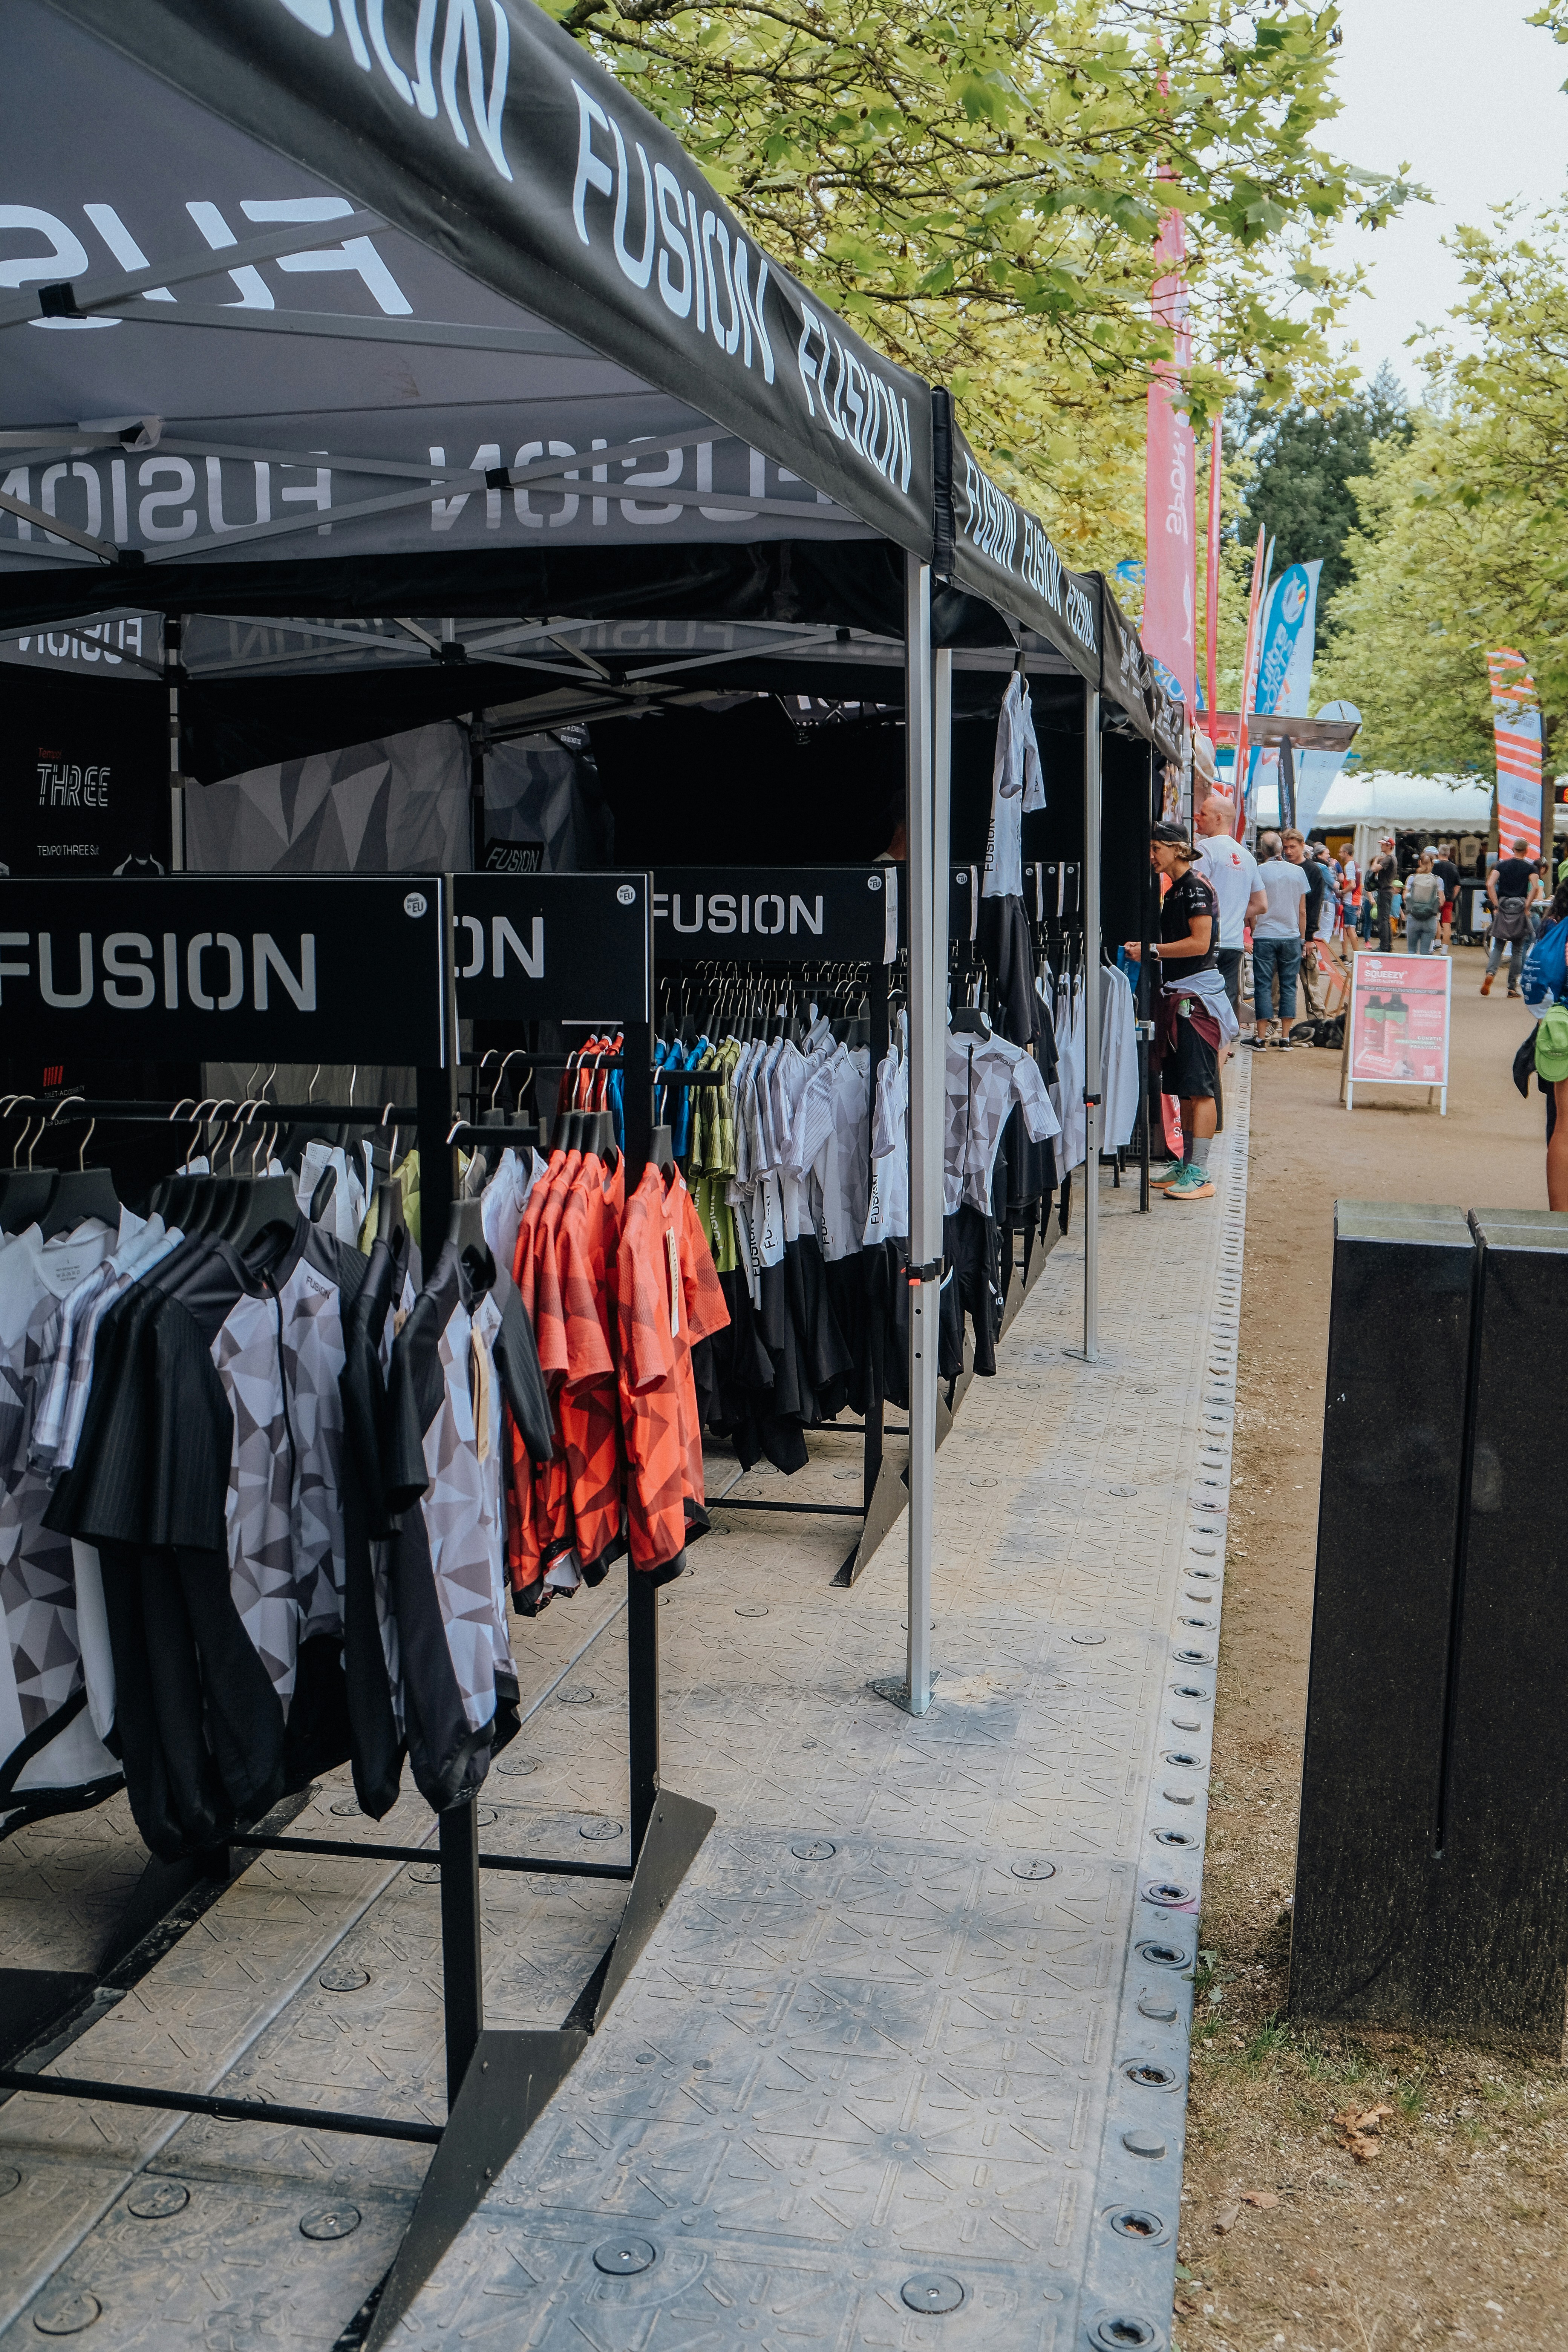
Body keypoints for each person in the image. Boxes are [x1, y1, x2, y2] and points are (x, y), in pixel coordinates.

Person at [1123, 822, 1226, 1201]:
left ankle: (1200, 1173)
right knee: (1183, 1085)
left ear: (1178, 849)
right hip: (1180, 995)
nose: (1151, 856)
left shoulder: (1195, 888)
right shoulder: (1177, 889)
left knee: (1199, 1087)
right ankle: (1187, 1164)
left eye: (1156, 848)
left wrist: (1151, 950)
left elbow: (1200, 944)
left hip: (1197, 999)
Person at [1194, 790, 1266, 1041]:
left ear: (1219, 818)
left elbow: (1196, 895)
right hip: (1233, 943)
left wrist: (1214, 916)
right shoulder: (1247, 856)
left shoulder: (1204, 850)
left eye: (1203, 814)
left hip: (1205, 942)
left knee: (1202, 1006)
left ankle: (1207, 1054)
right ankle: (1223, 1053)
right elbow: (1261, 904)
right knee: (1226, 1006)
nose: (1197, 817)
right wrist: (1233, 914)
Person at [1248, 829, 1310, 1047]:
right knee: (1289, 986)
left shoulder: (1258, 872)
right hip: (1291, 935)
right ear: (1281, 849)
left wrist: (1255, 930)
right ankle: (1285, 1037)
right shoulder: (1298, 872)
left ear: (1262, 851)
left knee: (1263, 986)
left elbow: (1254, 906)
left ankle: (1261, 1037)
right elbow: (1303, 911)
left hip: (1265, 935)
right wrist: (1302, 938)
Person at [1482, 837, 1543, 998]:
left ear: (1513, 849)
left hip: (1503, 907)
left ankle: (1490, 973)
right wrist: (1527, 906)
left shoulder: (1501, 866)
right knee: (1518, 950)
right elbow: (1536, 887)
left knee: (1498, 946)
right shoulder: (1531, 868)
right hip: (1520, 909)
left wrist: (1496, 905)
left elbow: (1490, 884)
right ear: (1526, 851)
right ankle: (1511, 987)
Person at [1283, 829, 1329, 1014]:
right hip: (1284, 933)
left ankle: (1318, 1021)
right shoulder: (1282, 868)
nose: (1289, 851)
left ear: (1302, 845)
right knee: (1281, 984)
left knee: (1311, 983)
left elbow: (1315, 905)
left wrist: (1309, 937)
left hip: (1304, 934)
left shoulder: (1313, 870)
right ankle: (1276, 1023)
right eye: (1285, 847)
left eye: (1292, 847)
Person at [1403, 849, 1444, 955]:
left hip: (1413, 918)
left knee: (1411, 951)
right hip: (1430, 919)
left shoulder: (1412, 878)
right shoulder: (1438, 880)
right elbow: (1442, 901)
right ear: (1433, 864)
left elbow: (1405, 897)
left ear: (1419, 862)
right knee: (1425, 952)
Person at [1367, 836, 1399, 951]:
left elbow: (1374, 869)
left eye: (1383, 844)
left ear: (1389, 846)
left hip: (1385, 891)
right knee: (1386, 919)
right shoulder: (1392, 858)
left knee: (1383, 920)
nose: (1381, 846)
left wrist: (1376, 859)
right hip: (1387, 891)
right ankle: (1388, 945)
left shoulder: (1389, 858)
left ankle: (1384, 946)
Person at [1431, 844, 1460, 952]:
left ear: (1439, 854)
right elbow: (1458, 886)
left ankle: (1436, 942)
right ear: (1449, 854)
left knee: (1435, 920)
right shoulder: (1454, 867)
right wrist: (1453, 897)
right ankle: (1445, 950)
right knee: (1447, 924)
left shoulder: (1435, 866)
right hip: (1448, 899)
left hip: (1436, 898)